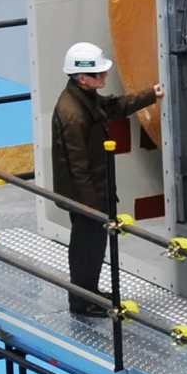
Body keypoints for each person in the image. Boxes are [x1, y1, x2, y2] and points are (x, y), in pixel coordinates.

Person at [51, 42, 162, 317]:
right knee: (85, 249)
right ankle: (81, 301)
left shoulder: (83, 98)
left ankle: (89, 292)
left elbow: (114, 107)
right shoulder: (72, 114)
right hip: (86, 197)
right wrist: (92, 208)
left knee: (93, 247)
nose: (104, 77)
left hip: (94, 193)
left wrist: (151, 94)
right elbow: (77, 167)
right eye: (99, 74)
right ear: (82, 77)